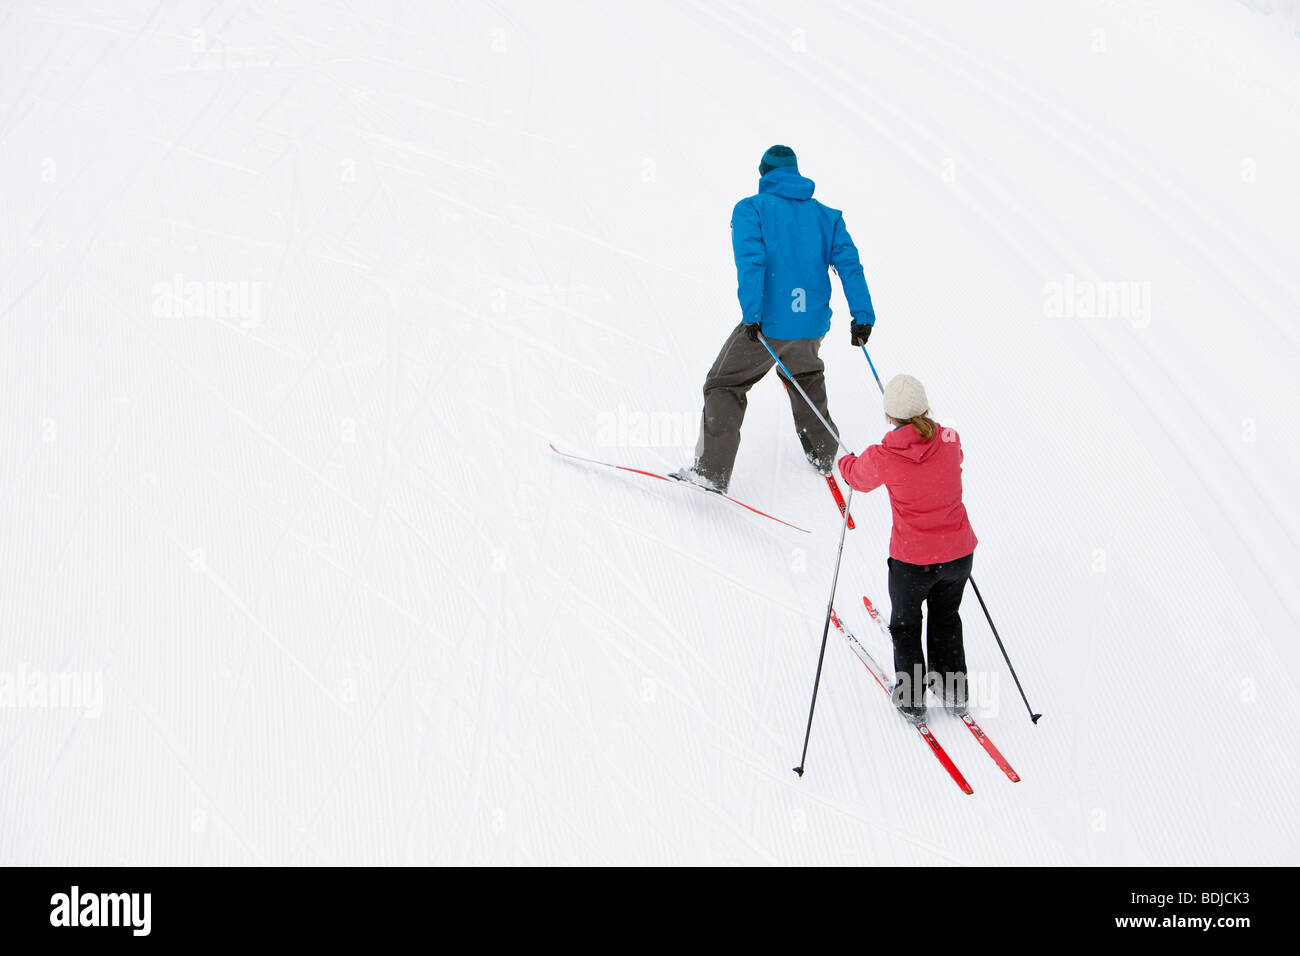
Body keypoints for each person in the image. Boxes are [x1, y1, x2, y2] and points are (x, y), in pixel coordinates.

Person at [677, 145, 877, 494]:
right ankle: (823, 453)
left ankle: (711, 472)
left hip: (769, 323)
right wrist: (862, 316)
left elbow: (751, 262)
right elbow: (850, 266)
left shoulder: (751, 209)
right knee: (804, 374)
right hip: (811, 323)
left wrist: (752, 315)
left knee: (724, 383)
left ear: (764, 174)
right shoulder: (827, 216)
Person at [837, 374, 978, 725]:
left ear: (890, 416)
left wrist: (847, 462)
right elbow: (952, 454)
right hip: (958, 555)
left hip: (912, 563)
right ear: (925, 408)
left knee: (906, 625)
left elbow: (856, 478)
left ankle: (912, 701)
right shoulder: (950, 439)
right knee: (946, 617)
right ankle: (953, 691)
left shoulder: (883, 456)